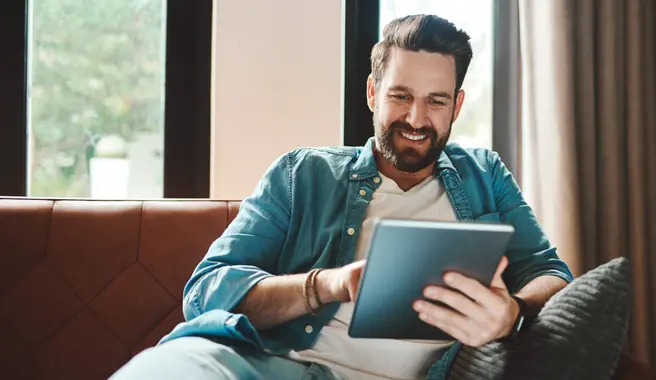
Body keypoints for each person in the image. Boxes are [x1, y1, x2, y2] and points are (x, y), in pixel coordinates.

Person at [111, 14, 573, 380]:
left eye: (436, 100)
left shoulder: (486, 175)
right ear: (373, 93)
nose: (416, 117)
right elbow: (206, 290)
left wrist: (512, 314)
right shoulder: (303, 172)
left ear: (457, 105)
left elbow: (551, 274)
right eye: (401, 95)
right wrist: (327, 285)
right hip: (282, 368)